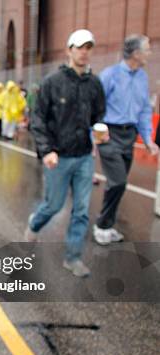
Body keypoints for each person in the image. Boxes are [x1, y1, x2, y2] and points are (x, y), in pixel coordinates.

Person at [26, 29, 106, 277]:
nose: (84, 52)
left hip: (83, 156)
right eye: (80, 47)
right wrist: (46, 150)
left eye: (88, 47)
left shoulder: (94, 83)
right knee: (53, 205)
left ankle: (73, 258)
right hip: (58, 157)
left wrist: (101, 131)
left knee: (81, 210)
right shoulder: (52, 82)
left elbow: (98, 115)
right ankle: (33, 225)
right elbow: (37, 119)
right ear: (69, 50)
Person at [93, 35, 159, 244]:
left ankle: (107, 224)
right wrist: (93, 138)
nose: (150, 53)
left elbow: (144, 111)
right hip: (109, 134)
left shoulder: (142, 78)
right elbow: (95, 106)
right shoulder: (110, 75)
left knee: (119, 184)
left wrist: (147, 139)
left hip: (129, 135)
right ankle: (102, 225)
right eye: (147, 49)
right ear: (136, 53)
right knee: (118, 181)